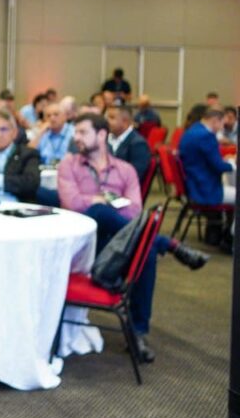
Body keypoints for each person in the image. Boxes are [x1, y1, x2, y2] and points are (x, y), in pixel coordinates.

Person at [57, 113, 208, 363]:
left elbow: (135, 211)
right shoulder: (69, 164)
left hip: (119, 246)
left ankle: (137, 332)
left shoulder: (125, 170)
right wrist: (102, 202)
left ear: (102, 134)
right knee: (100, 213)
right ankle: (165, 243)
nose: (76, 138)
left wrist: (98, 203)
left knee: (144, 251)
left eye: (83, 132)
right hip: (85, 247)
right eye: (76, 133)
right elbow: (71, 205)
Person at [179, 106, 235, 207]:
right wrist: (233, 164)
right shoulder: (206, 136)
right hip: (206, 190)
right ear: (215, 121)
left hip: (195, 185)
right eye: (222, 124)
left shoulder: (192, 130)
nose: (222, 128)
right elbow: (219, 167)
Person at [106, 105, 151, 184]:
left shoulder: (138, 144)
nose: (107, 121)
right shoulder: (104, 139)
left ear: (125, 121)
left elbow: (134, 175)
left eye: (112, 118)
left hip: (121, 190)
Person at [31, 101, 75, 165]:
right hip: (45, 171)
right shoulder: (43, 134)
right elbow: (28, 153)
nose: (52, 118)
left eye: (56, 114)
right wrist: (40, 133)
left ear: (65, 117)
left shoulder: (74, 132)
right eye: (48, 116)